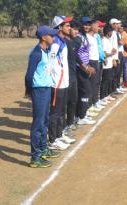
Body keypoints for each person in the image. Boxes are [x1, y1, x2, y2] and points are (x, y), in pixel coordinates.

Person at [25, 26, 60, 168]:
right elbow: (29, 75)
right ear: (44, 37)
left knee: (45, 120)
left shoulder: (45, 51)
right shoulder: (36, 53)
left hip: (46, 88)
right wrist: (29, 91)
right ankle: (35, 158)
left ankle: (44, 149)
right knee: (38, 123)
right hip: (39, 90)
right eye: (51, 35)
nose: (53, 37)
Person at [47, 16, 75, 152]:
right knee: (55, 113)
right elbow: (50, 63)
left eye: (69, 25)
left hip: (63, 82)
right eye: (67, 26)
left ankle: (59, 134)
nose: (69, 28)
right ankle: (52, 140)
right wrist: (53, 80)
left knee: (61, 110)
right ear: (59, 27)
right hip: (57, 84)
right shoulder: (56, 42)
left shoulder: (62, 41)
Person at [75, 17, 97, 125]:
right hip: (80, 69)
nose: (87, 26)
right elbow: (75, 54)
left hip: (84, 68)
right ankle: (81, 117)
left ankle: (81, 115)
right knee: (87, 92)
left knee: (84, 92)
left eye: (88, 24)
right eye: (85, 24)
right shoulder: (79, 37)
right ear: (81, 25)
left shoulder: (84, 36)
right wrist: (85, 66)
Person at [64, 21, 80, 132]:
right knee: (65, 103)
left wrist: (84, 65)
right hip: (65, 76)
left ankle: (70, 122)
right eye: (70, 27)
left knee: (73, 100)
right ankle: (63, 127)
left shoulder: (74, 41)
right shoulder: (63, 42)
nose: (75, 31)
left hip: (73, 74)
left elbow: (76, 57)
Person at [100, 24, 118, 104]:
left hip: (109, 64)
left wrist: (112, 51)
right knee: (105, 81)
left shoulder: (108, 40)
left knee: (108, 80)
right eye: (111, 32)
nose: (112, 33)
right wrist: (111, 53)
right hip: (106, 65)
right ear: (108, 32)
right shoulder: (103, 40)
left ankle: (107, 95)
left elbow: (109, 51)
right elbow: (104, 53)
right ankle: (103, 97)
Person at [110, 18, 127, 93]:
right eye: (116, 24)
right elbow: (120, 43)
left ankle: (117, 86)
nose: (118, 25)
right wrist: (122, 41)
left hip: (119, 52)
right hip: (116, 53)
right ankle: (114, 88)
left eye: (118, 24)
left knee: (119, 72)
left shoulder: (117, 33)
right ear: (112, 24)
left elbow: (122, 43)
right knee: (115, 72)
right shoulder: (113, 33)